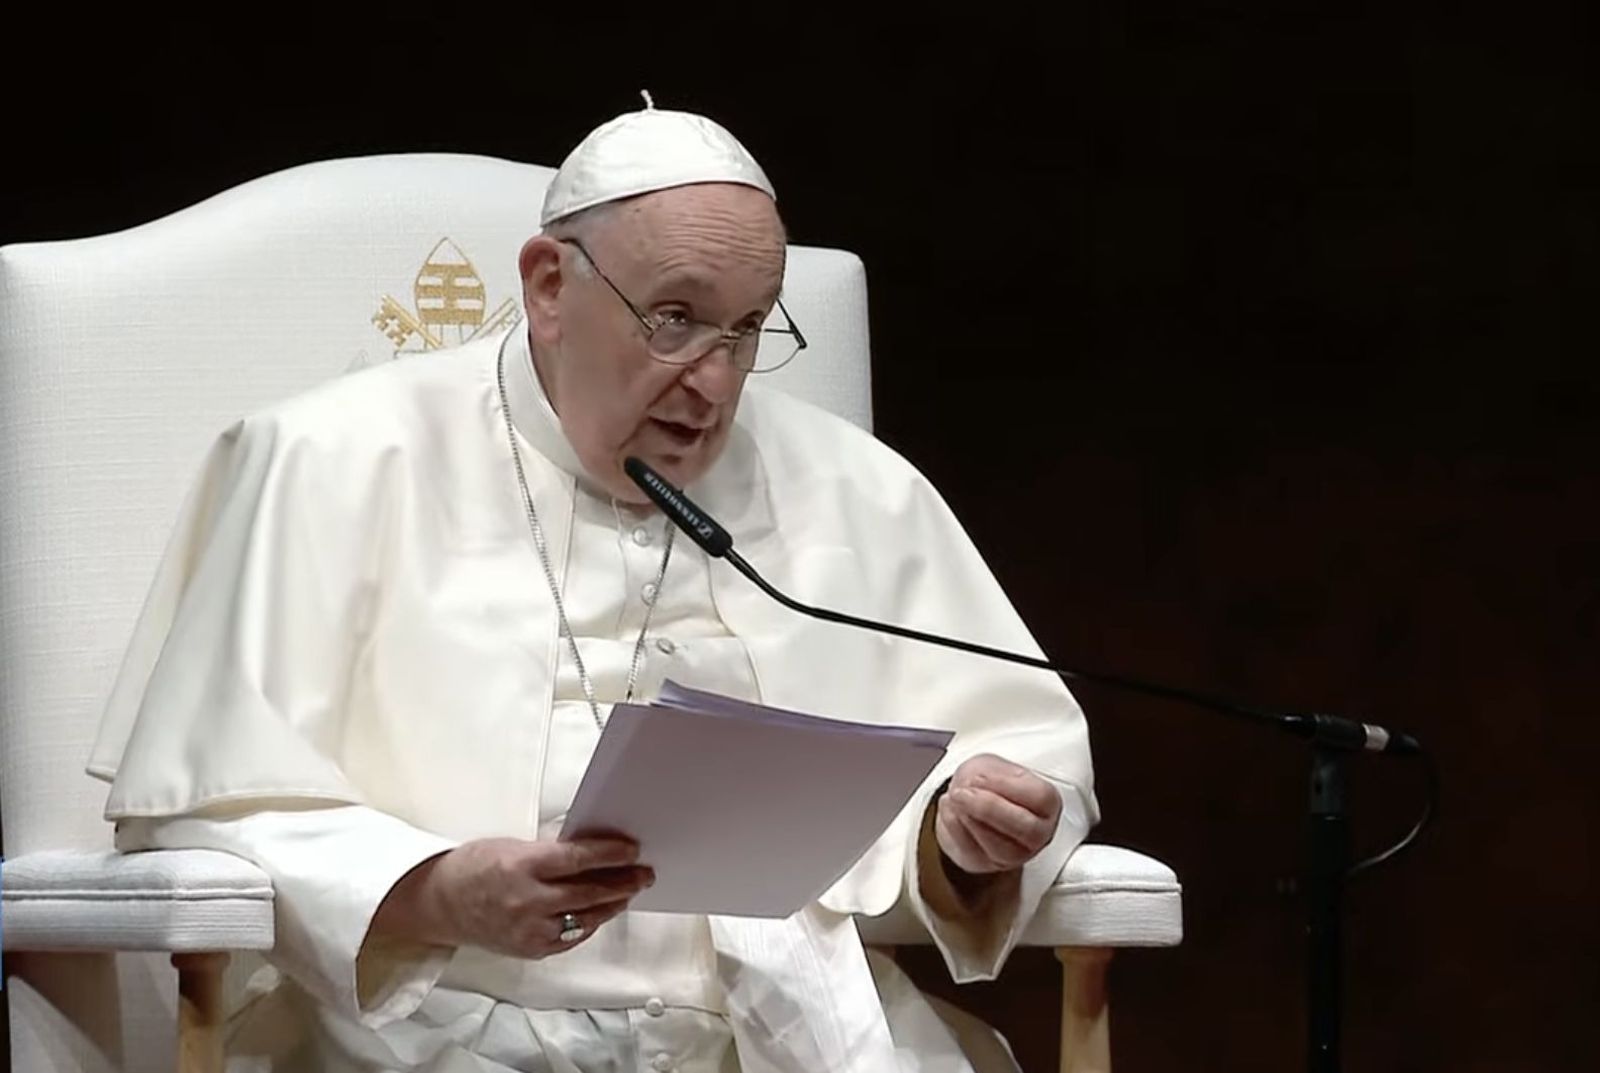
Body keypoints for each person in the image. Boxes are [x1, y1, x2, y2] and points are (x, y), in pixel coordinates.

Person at [88, 97, 1098, 1072]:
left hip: (781, 1026)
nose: (713, 379)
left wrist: (960, 836)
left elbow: (1002, 749)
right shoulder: (330, 457)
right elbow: (199, 808)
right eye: (672, 318)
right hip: (416, 1028)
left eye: (746, 329)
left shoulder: (859, 489)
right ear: (546, 286)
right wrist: (435, 891)